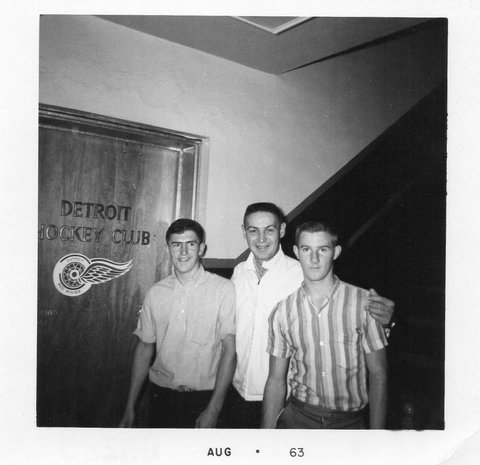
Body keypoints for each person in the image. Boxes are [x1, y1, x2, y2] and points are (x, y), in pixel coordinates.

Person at [226, 202, 393, 428]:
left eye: (270, 230)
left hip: (287, 401)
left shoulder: (302, 273)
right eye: (253, 230)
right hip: (240, 391)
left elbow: (347, 310)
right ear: (244, 232)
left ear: (282, 231)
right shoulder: (238, 273)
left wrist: (388, 320)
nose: (261, 238)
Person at [261, 220, 388, 429]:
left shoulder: (364, 303)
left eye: (322, 250)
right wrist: (265, 438)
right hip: (297, 419)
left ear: (335, 252)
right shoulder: (283, 311)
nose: (313, 259)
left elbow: (379, 374)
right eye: (306, 249)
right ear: (296, 252)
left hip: (350, 424)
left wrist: (377, 437)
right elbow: (275, 381)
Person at [118, 219, 236, 428]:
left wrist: (213, 409)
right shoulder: (156, 293)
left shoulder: (224, 289)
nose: (183, 251)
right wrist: (130, 406)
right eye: (176, 244)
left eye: (190, 244)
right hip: (161, 398)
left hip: (204, 399)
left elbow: (230, 351)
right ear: (168, 249)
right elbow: (145, 348)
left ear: (201, 248)